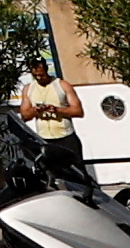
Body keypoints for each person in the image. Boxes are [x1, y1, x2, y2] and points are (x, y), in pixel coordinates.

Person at [21, 56, 91, 186]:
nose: (39, 78)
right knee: (53, 176)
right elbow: (24, 115)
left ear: (47, 71)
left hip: (65, 138)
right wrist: (36, 110)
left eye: (41, 75)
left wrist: (57, 110)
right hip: (45, 140)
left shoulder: (62, 85)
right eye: (35, 75)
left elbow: (78, 111)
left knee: (78, 174)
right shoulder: (28, 89)